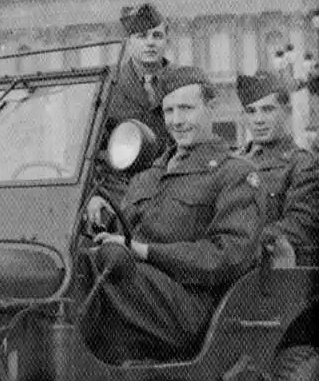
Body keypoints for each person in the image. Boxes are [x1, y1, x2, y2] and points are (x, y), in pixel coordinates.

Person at [85, 66, 265, 363]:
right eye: (169, 111)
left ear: (211, 108)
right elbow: (121, 232)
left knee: (95, 264)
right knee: (71, 262)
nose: (177, 121)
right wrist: (95, 221)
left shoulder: (235, 174)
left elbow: (227, 255)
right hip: (136, 292)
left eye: (186, 109)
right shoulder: (148, 175)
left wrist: (144, 251)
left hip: (189, 308)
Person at [88, 3, 177, 223]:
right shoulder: (110, 86)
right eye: (141, 36)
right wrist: (93, 196)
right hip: (120, 196)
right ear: (128, 42)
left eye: (157, 36)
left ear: (167, 41)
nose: (150, 42)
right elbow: (90, 151)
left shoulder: (181, 84)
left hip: (171, 194)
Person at [236, 72, 319, 265]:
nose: (258, 120)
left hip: (274, 271)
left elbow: (300, 226)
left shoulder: (304, 164)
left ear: (287, 111)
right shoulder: (233, 162)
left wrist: (238, 241)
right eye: (251, 111)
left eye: (267, 109)